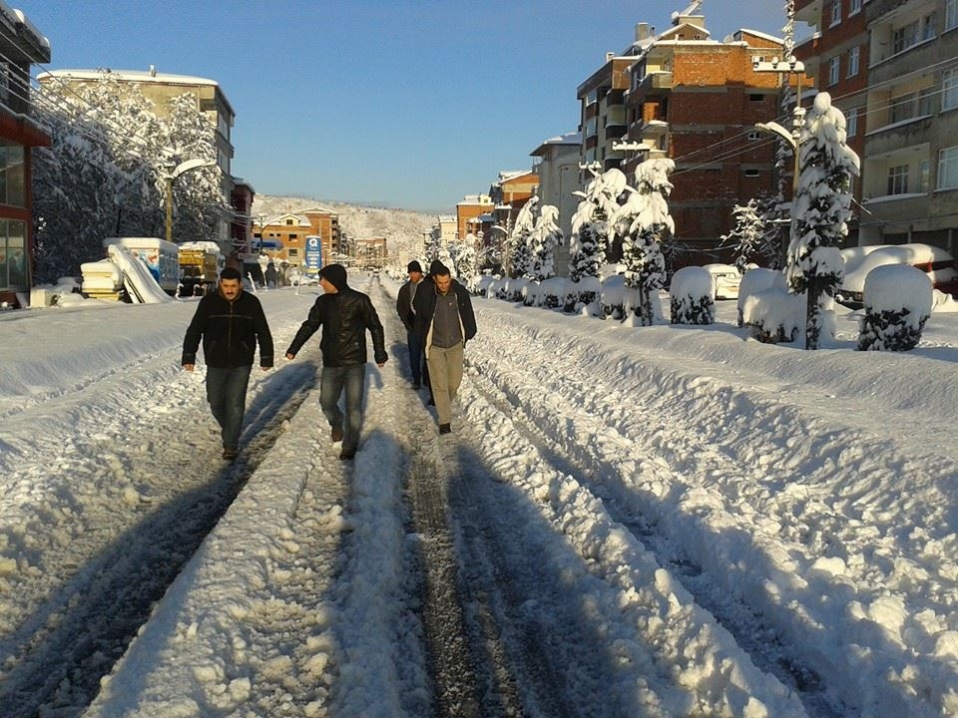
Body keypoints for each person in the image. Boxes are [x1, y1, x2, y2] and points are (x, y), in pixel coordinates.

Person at [285, 264, 388, 460]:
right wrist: (293, 348)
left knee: (354, 407)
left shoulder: (359, 300)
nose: (320, 283)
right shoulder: (322, 302)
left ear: (334, 280)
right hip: (331, 362)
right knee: (326, 402)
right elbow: (310, 325)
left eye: (323, 279)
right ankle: (336, 423)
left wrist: (380, 353)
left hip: (354, 361)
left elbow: (375, 326)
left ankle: (349, 445)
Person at [182, 267, 274, 460]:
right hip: (216, 360)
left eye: (233, 286)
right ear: (220, 285)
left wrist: (266, 356)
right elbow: (195, 330)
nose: (230, 290)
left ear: (240, 285)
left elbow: (263, 331)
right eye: (226, 286)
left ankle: (230, 445)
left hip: (242, 360)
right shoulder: (209, 302)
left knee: (235, 404)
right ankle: (230, 429)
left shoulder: (251, 303)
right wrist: (188, 356)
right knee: (215, 402)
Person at [413, 260, 477, 435]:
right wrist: (421, 338)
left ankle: (444, 403)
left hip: (456, 345)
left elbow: (468, 313)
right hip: (435, 347)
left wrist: (469, 332)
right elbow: (419, 318)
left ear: (450, 279)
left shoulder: (459, 293)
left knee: (454, 382)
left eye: (446, 282)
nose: (443, 285)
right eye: (440, 282)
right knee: (439, 384)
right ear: (434, 279)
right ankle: (444, 421)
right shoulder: (427, 294)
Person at [395, 260, 429, 391]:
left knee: (427, 355)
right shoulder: (405, 289)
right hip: (413, 327)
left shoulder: (428, 286)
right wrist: (406, 322)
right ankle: (416, 379)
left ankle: (426, 377)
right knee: (414, 355)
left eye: (415, 272)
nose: (413, 275)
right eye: (411, 273)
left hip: (426, 327)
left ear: (420, 272)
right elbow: (400, 307)